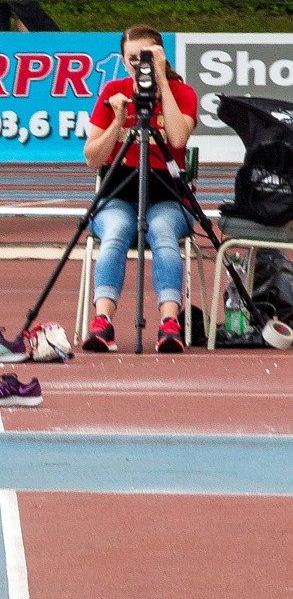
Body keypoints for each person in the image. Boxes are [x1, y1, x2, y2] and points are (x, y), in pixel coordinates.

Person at [81, 25, 198, 355]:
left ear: (161, 56)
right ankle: (102, 321)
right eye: (132, 58)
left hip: (167, 197)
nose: (139, 64)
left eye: (147, 57)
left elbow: (177, 140)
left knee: (162, 231)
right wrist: (118, 120)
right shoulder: (114, 91)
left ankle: (169, 323)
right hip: (118, 195)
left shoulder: (183, 93)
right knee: (116, 229)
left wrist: (162, 82)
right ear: (123, 59)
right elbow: (92, 159)